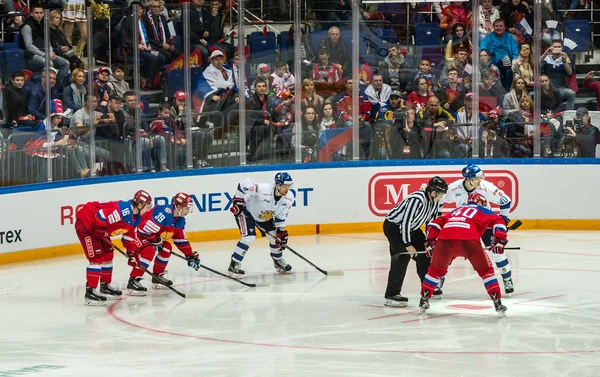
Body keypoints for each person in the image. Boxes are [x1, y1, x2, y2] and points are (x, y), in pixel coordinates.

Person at [419, 191, 508, 317]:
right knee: (486, 272)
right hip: (469, 240)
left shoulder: (456, 211)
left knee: (434, 271)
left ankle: (423, 300)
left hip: (445, 240)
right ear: (482, 203)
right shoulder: (483, 210)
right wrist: (499, 241)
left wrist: (430, 242)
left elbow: (434, 223)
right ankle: (498, 303)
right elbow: (499, 222)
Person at [439, 164, 515, 295]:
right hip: (464, 224)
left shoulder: (487, 187)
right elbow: (440, 200)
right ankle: (438, 280)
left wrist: (503, 219)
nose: (480, 180)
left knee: (497, 252)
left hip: (484, 223)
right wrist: (438, 218)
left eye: (481, 177)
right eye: (477, 178)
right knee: (449, 251)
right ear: (468, 179)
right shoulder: (454, 187)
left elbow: (505, 201)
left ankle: (507, 279)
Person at [74, 190, 153, 305]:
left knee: (108, 255)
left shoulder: (136, 218)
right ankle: (90, 292)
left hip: (99, 229)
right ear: (140, 205)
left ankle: (104, 286)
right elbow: (100, 215)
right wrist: (99, 231)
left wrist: (132, 254)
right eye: (147, 206)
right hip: (86, 224)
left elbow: (129, 237)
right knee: (97, 258)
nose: (148, 210)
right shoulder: (125, 210)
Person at [382, 176, 448, 307]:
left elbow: (432, 223)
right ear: (433, 192)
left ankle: (428, 286)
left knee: (425, 255)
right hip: (394, 228)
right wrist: (407, 245)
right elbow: (405, 223)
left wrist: (430, 242)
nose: (442, 197)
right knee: (402, 257)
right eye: (441, 194)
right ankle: (391, 294)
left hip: (412, 228)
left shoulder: (434, 202)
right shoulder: (416, 199)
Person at [127, 192, 199, 295]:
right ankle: (133, 281)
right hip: (137, 232)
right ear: (178, 206)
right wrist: (156, 241)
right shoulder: (164, 213)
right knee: (148, 251)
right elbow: (144, 230)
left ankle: (157, 277)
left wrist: (190, 255)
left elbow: (181, 240)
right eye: (186, 208)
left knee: (167, 248)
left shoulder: (180, 220)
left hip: (150, 236)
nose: (188, 211)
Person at [227, 172, 295, 277]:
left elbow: (281, 216)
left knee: (276, 238)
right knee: (249, 237)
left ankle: (277, 261)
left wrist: (281, 231)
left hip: (264, 217)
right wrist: (238, 201)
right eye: (285, 186)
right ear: (277, 185)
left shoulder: (289, 198)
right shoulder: (263, 189)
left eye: (289, 186)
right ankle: (234, 264)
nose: (287, 188)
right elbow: (243, 184)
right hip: (246, 212)